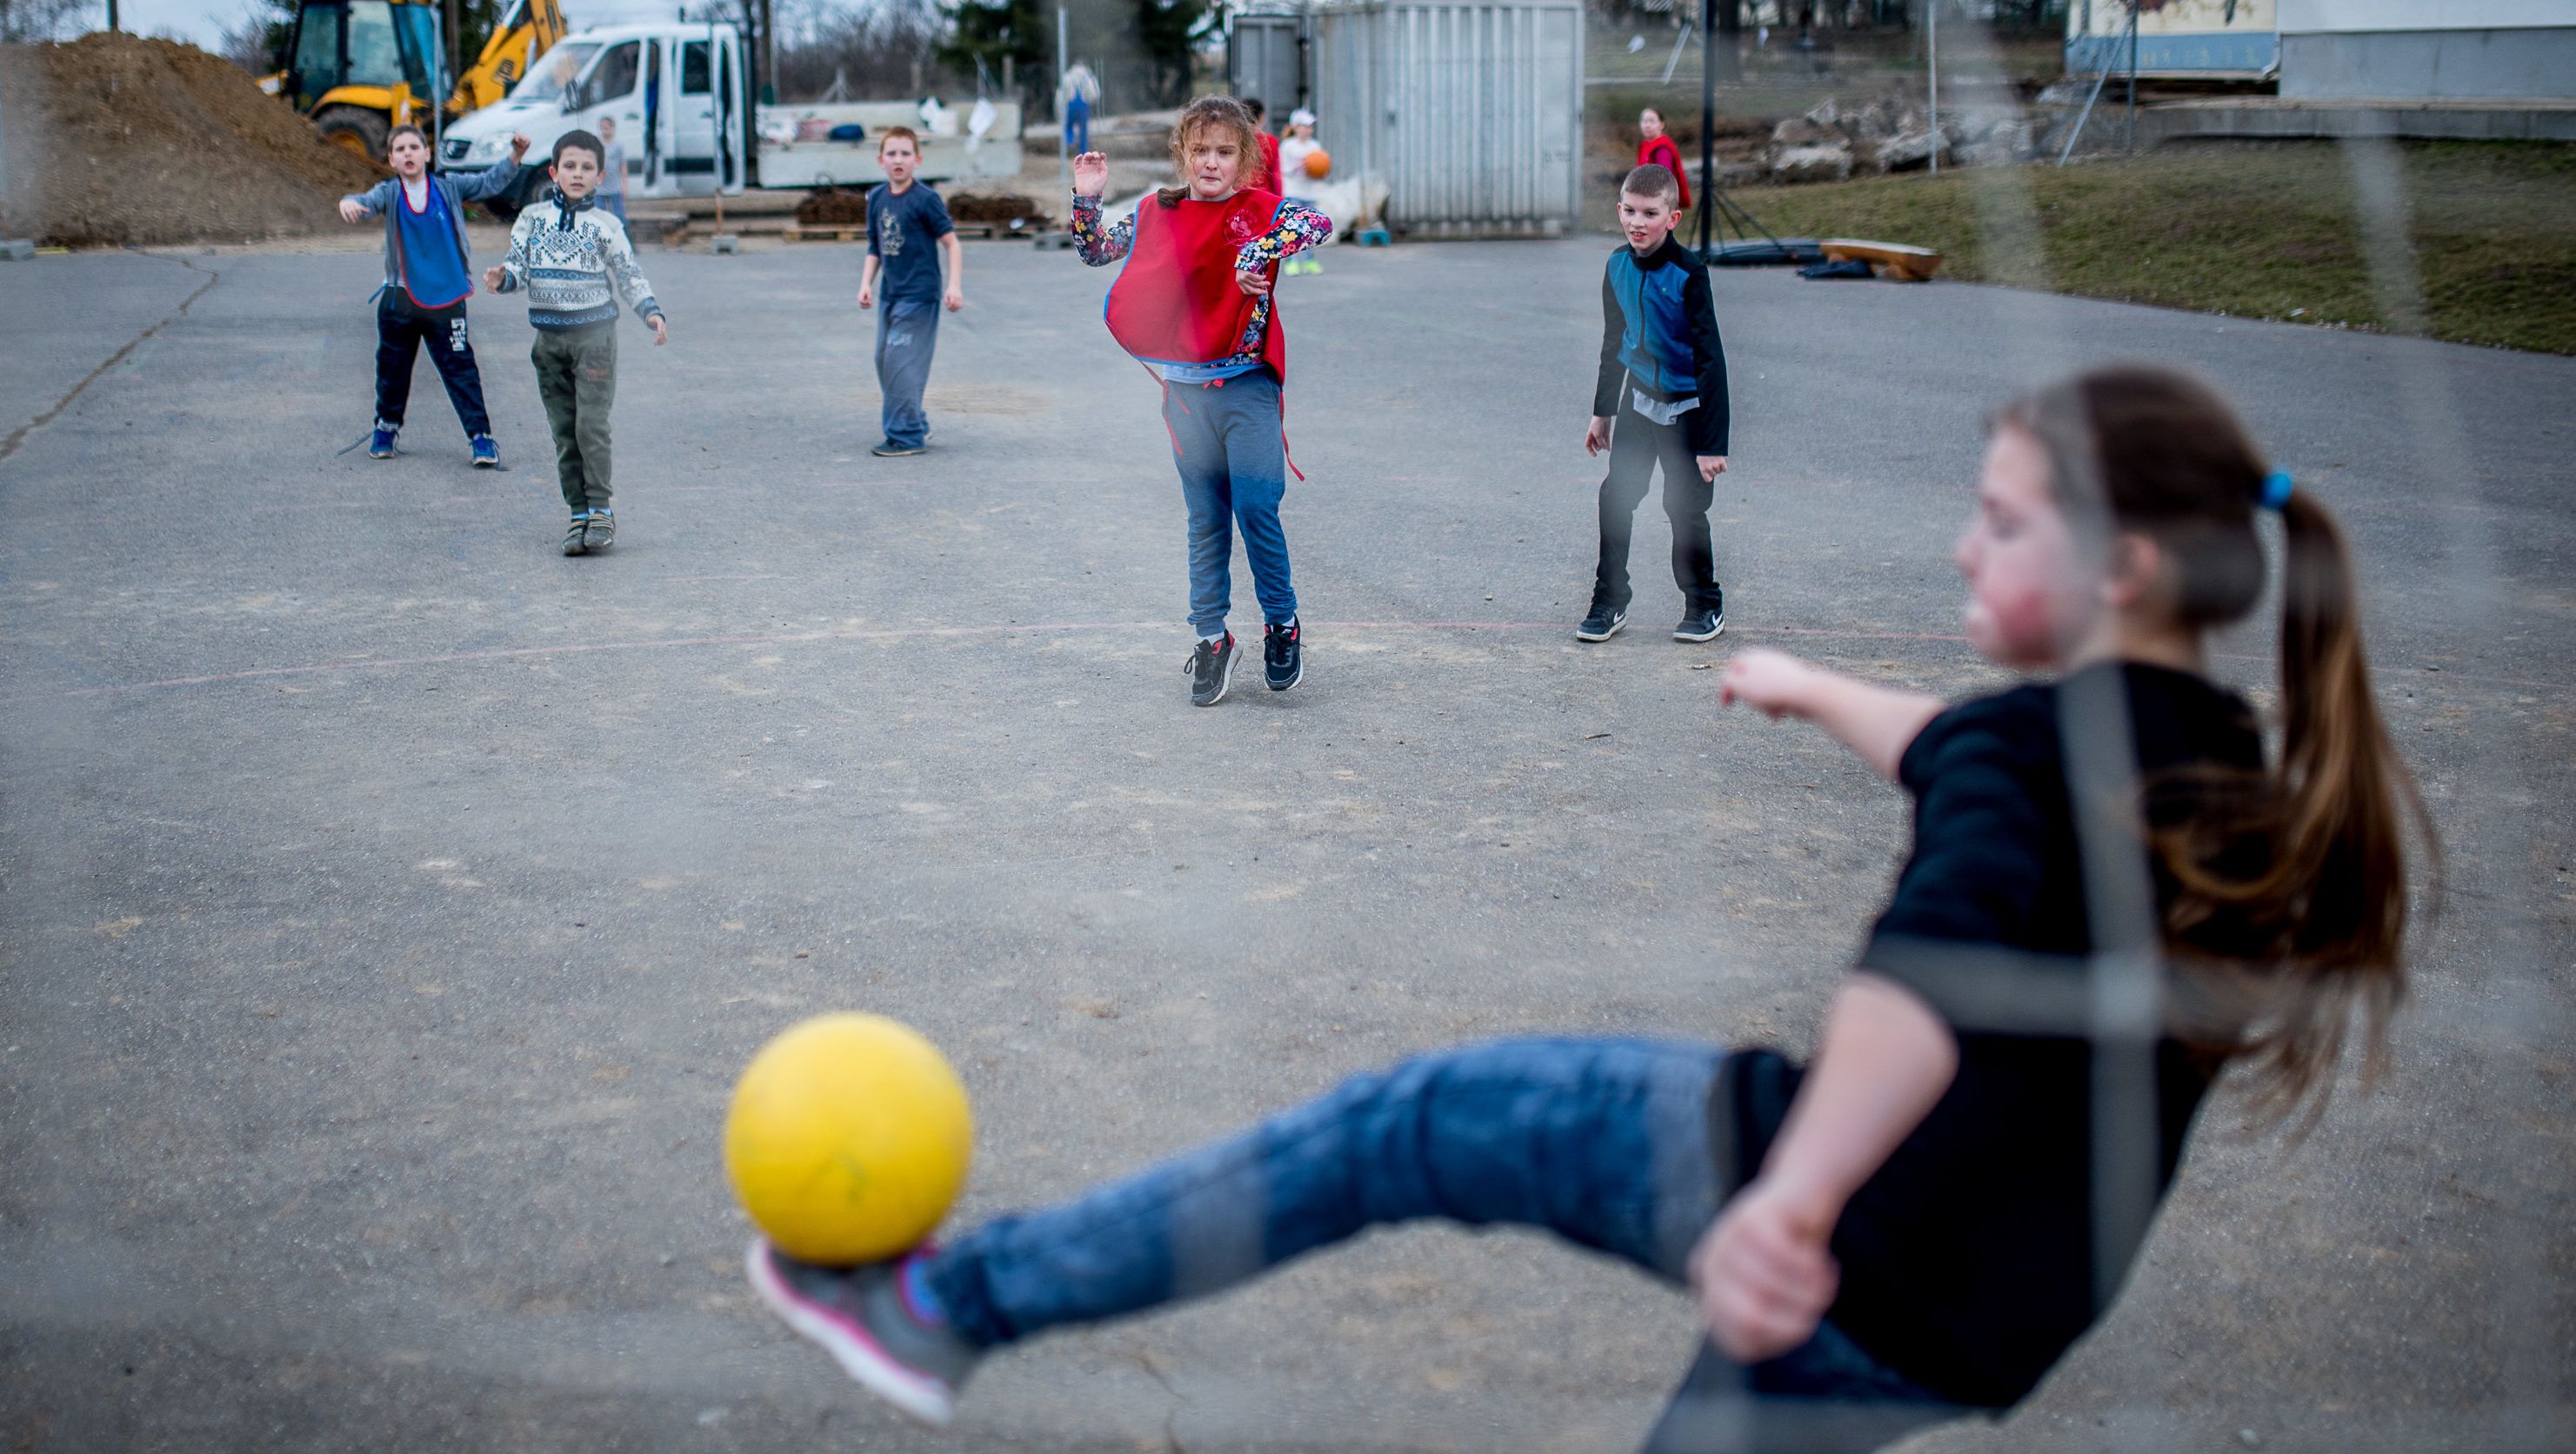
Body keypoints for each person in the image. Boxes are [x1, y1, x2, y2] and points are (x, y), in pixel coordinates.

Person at [744, 363, 2433, 1451]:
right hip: (1968, 1317)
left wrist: (1795, 1199)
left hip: (1814, 1213)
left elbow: (1925, 973)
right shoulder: (2214, 767)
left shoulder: (2025, 755)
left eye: (1995, 524)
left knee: (1399, 1124)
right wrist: (1806, 686)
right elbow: (1971, 776)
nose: (1958, 551)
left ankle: (941, 1309)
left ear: (2117, 564)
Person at [1063, 96, 1329, 706]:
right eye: (1200, 150)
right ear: (1182, 153)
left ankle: (1281, 625)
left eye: (1225, 152)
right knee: (1205, 519)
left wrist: (1261, 250)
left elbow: (1317, 223)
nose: (1211, 162)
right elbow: (1095, 249)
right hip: (1186, 394)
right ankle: (1212, 639)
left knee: (1259, 506)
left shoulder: (1259, 209)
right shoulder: (1157, 209)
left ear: (1244, 159)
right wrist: (1088, 195)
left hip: (1247, 386)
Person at [484, 130, 668, 557]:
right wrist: (502, 280)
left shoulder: (607, 225)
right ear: (554, 172)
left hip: (595, 339)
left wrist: (651, 312)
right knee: (564, 431)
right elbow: (518, 267)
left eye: (587, 168)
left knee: (591, 426)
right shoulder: (531, 218)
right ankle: (578, 513)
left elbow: (628, 274)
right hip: (548, 341)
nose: (578, 174)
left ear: (600, 176)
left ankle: (601, 509)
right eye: (570, 166)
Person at [1580, 163, 1729, 645]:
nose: (1637, 222)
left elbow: (1712, 361)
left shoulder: (1689, 274)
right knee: (1615, 497)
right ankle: (1609, 602)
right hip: (1640, 402)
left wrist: (1712, 443)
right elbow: (1613, 340)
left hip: (1687, 408)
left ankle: (1704, 605)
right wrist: (1603, 412)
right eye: (1629, 211)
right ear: (1618, 210)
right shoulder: (1616, 267)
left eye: (1650, 212)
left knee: (1683, 506)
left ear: (1673, 218)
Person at [336, 123, 531, 467]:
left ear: (427, 155)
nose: (408, 153)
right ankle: (387, 427)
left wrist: (515, 155)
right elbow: (364, 203)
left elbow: (489, 182)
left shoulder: (449, 186)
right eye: (400, 149)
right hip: (400, 298)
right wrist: (349, 202)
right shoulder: (388, 192)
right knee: (392, 369)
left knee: (460, 368)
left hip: (446, 298)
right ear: (391, 159)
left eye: (415, 147)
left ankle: (480, 437)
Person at [857, 126, 964, 458]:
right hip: (891, 295)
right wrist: (865, 284)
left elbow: (951, 243)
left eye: (905, 154)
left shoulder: (926, 199)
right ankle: (915, 420)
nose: (898, 160)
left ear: (917, 160)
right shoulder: (876, 198)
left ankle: (906, 436)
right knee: (883, 360)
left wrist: (954, 285)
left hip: (920, 296)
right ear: (880, 160)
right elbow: (875, 247)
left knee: (900, 360)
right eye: (892, 154)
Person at [1276, 108, 1325, 277]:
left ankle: (1309, 260)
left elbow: (1320, 168)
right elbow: (1283, 169)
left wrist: (1319, 169)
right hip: (1293, 192)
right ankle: (1291, 261)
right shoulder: (1288, 146)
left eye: (1311, 126)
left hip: (1310, 192)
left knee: (1311, 228)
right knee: (1294, 228)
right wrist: (1298, 166)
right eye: (1306, 126)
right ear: (1296, 127)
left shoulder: (1315, 146)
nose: (1309, 129)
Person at [1637, 105, 1693, 214]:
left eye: (1652, 121)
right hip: (1647, 199)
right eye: (1644, 121)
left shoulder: (1662, 148)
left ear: (1662, 124)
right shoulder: (1645, 145)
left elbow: (1663, 179)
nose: (1647, 125)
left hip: (1659, 201)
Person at [1241, 96, 1281, 193]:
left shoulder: (1235, 140)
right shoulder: (1271, 141)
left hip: (1240, 195)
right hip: (1265, 196)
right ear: (1262, 117)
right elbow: (1275, 175)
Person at [594, 114, 629, 224]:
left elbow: (622, 167)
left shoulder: (618, 146)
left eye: (607, 128)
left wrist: (624, 185)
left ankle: (623, 237)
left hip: (615, 188)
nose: (604, 131)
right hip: (599, 189)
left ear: (613, 129)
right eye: (602, 128)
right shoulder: (596, 145)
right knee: (600, 217)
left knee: (619, 216)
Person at [1061, 61, 1098, 157]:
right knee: (1083, 129)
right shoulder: (1088, 76)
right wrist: (1090, 101)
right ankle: (1083, 151)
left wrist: (1063, 103)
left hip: (1071, 104)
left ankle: (1070, 141)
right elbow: (1094, 93)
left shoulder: (1068, 76)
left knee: (1069, 125)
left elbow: (1063, 92)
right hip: (1084, 105)